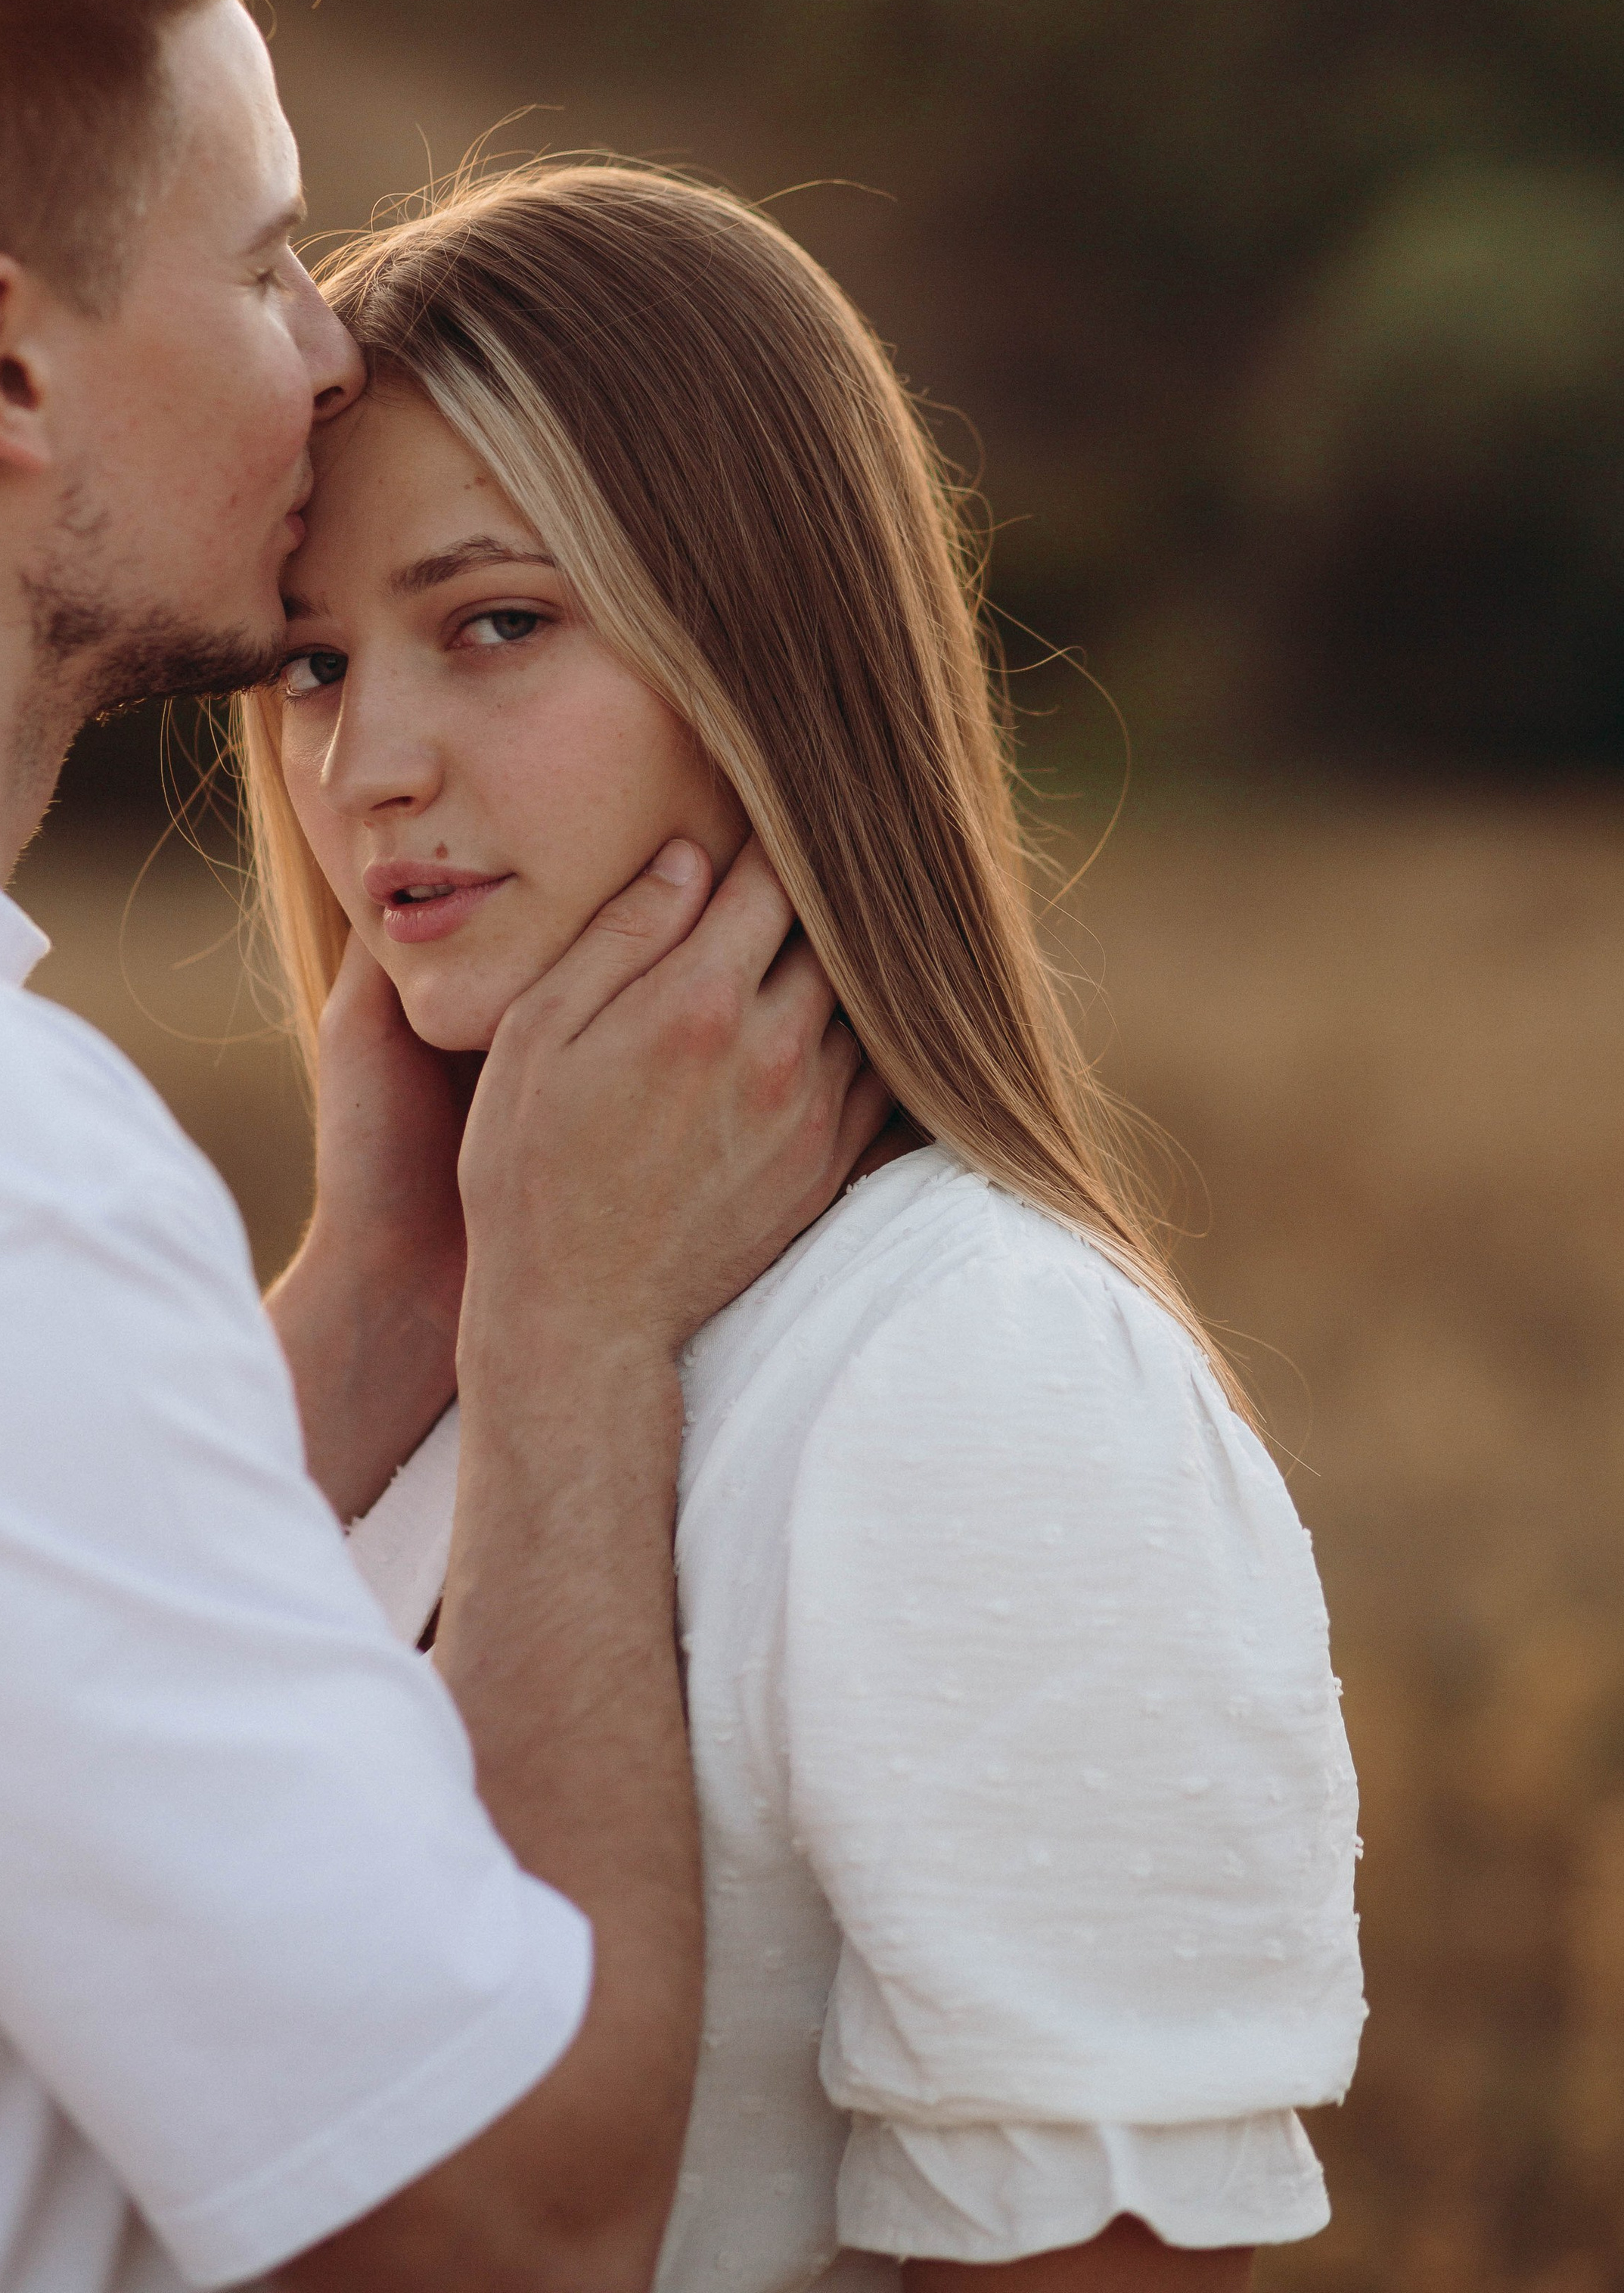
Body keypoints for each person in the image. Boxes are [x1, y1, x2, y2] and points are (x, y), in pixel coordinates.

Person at [0, 0, 885, 2293]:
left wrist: (363, 1313)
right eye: (260, 264)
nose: (333, 351)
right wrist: (568, 1342)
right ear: (4, 368)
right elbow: (521, 2224)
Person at [242, 163, 1369, 2292]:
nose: (366, 762)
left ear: (760, 649)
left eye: (495, 623)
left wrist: (557, 1328)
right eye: (307, 663)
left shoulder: (981, 1363)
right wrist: (387, 1282)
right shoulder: (416, 1329)